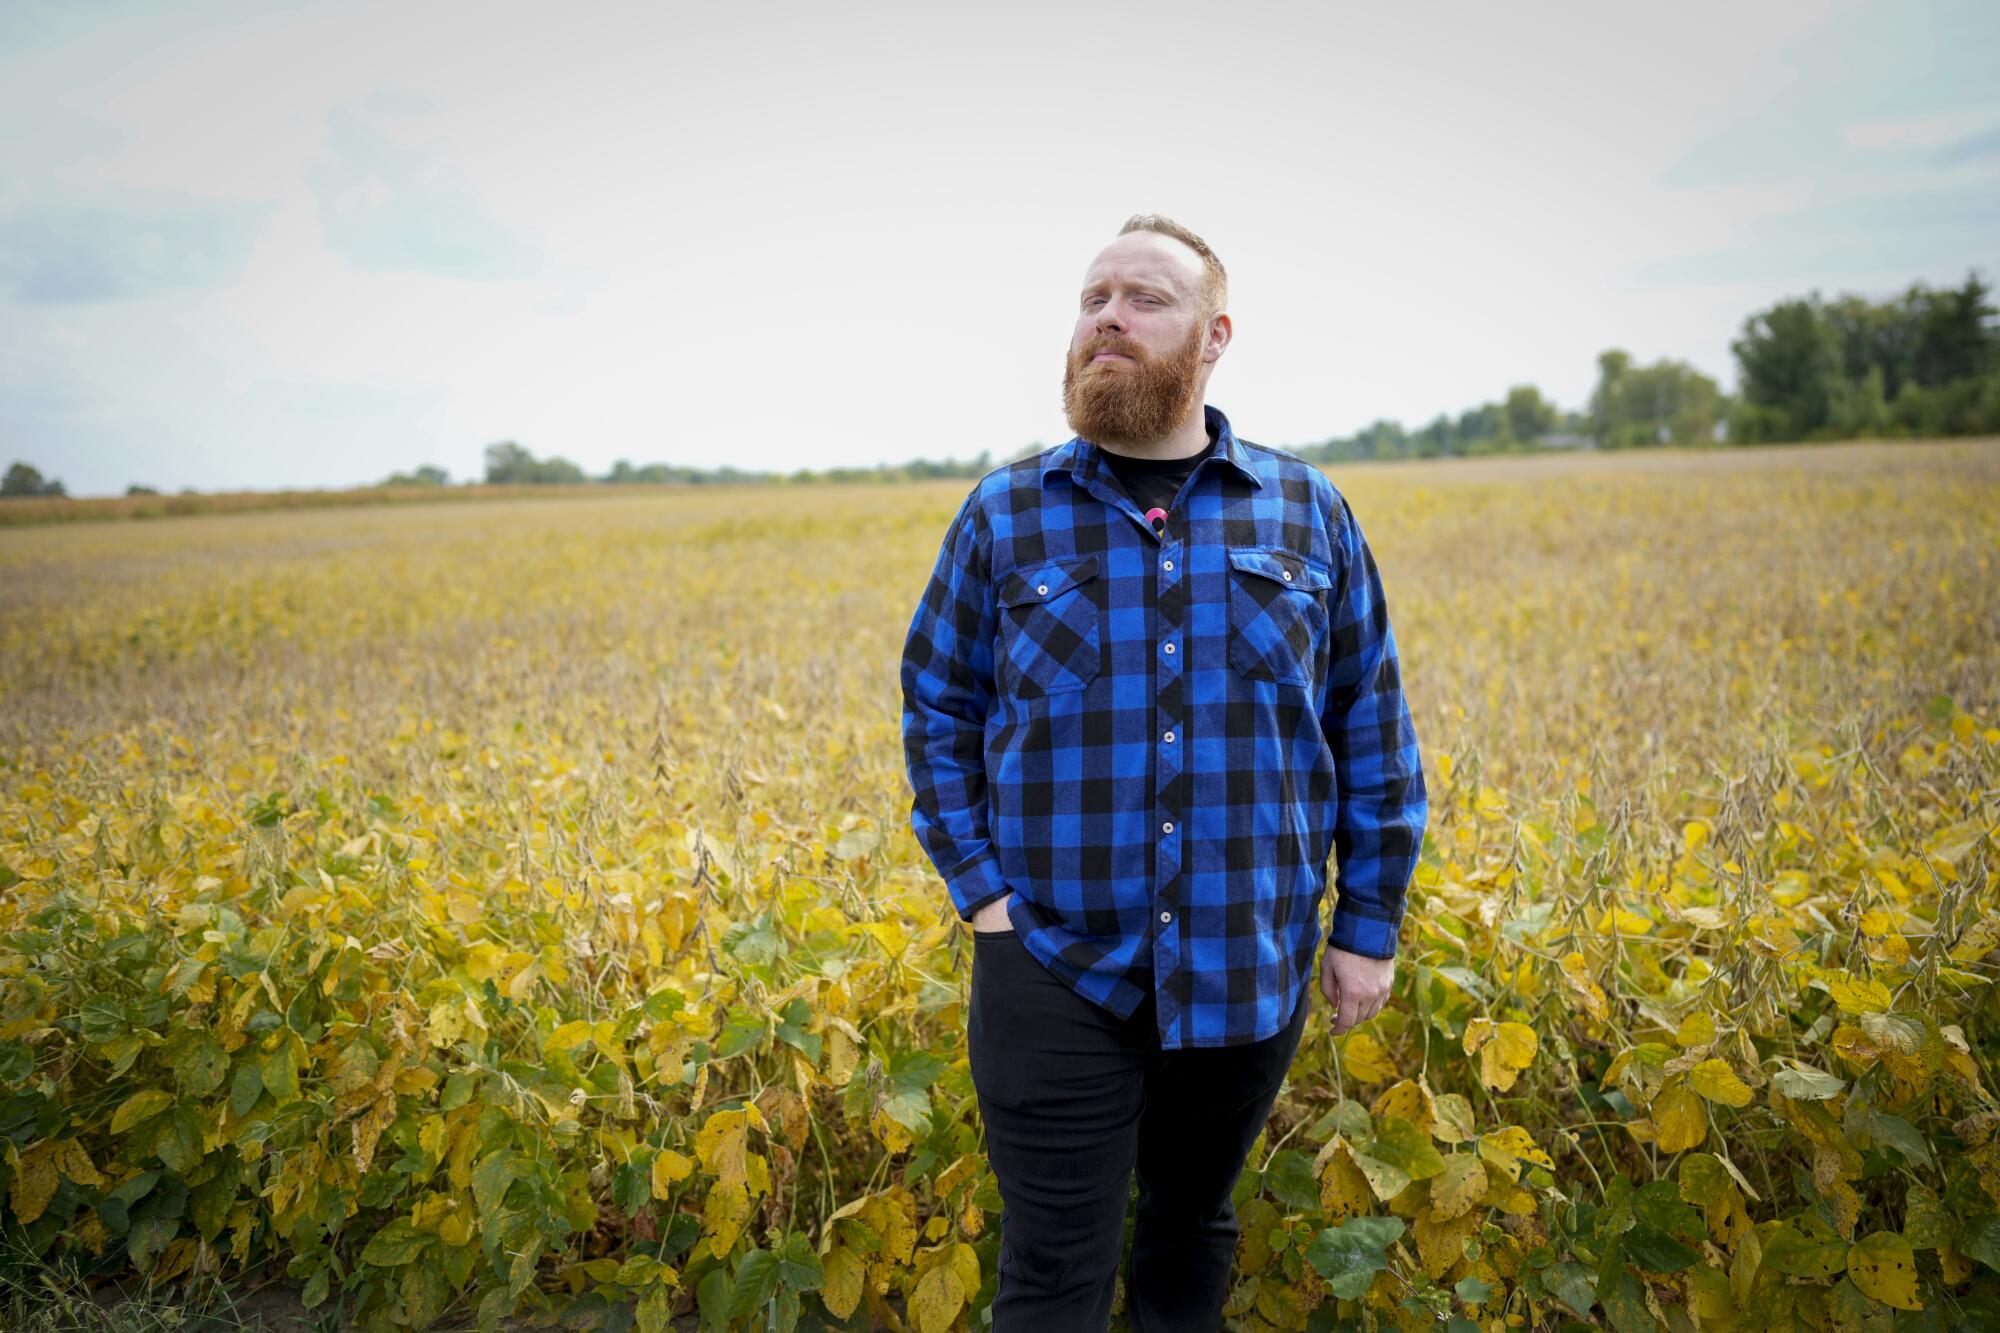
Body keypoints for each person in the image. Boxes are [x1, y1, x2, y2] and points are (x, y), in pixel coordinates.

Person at [899, 214, 1428, 1331]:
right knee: (1051, 1276)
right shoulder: (1007, 513)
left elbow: (1366, 717)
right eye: (1093, 298)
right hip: (1051, 958)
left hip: (1249, 955)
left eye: (1142, 298)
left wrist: (1365, 922)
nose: (1107, 317)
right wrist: (983, 896)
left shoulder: (1304, 509)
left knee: (1191, 1232)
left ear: (1215, 334)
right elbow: (938, 706)